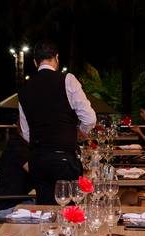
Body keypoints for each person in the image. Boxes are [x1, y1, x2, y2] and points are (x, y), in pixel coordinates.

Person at [18, 40, 96, 204]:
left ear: (35, 62)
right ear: (57, 58)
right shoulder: (68, 80)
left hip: (38, 160)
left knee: (45, 210)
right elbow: (89, 118)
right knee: (70, 210)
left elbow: (26, 132)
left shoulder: (24, 88)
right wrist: (81, 132)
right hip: (63, 160)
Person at [0, 126, 34, 217]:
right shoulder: (18, 146)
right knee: (48, 210)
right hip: (5, 207)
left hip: (15, 201)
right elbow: (36, 172)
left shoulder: (18, 143)